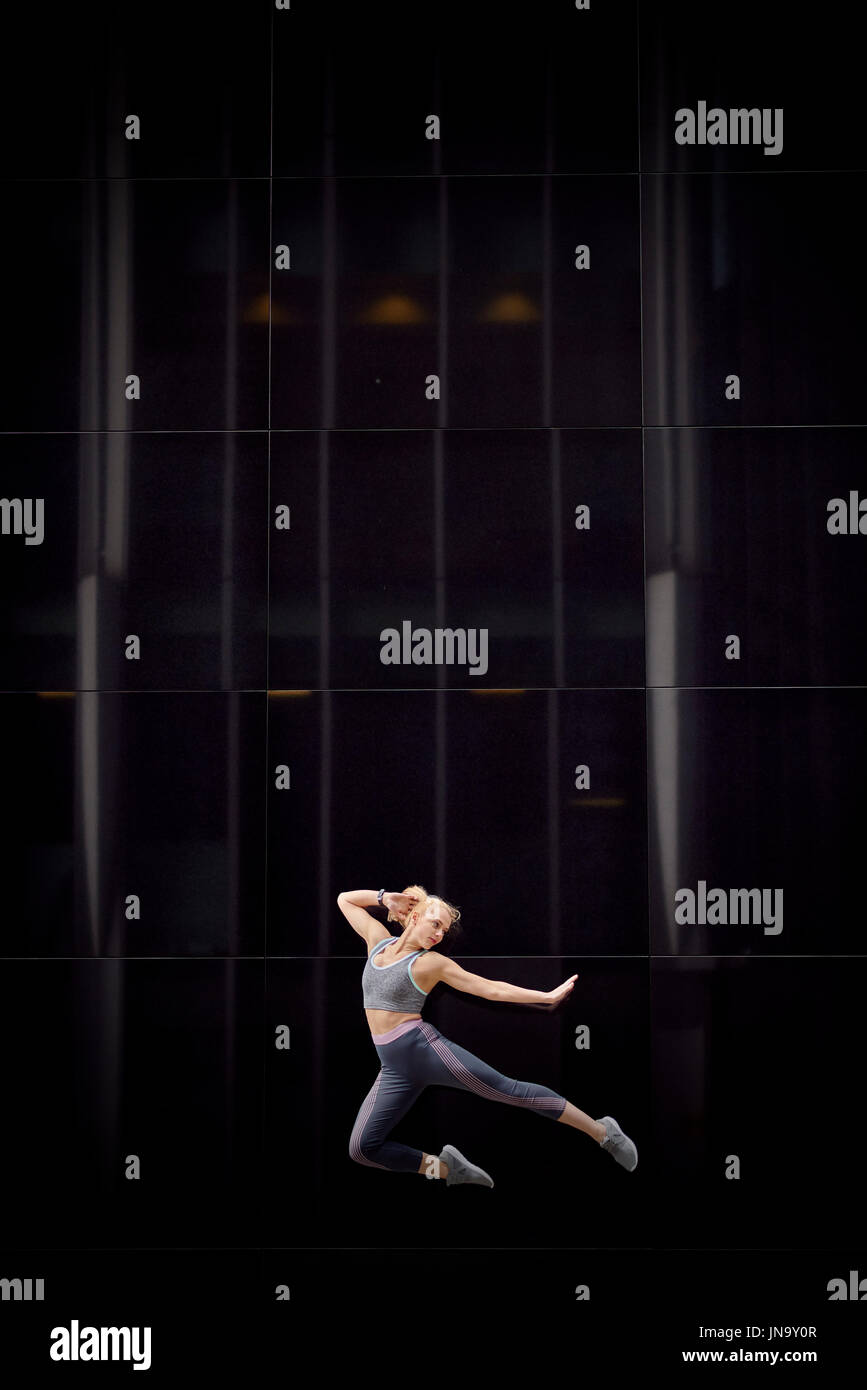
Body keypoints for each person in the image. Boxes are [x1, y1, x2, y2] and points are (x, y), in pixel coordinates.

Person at [338, 884, 638, 1186]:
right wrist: (383, 897)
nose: (440, 934)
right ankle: (447, 1169)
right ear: (414, 917)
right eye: (436, 923)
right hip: (393, 1067)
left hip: (424, 1051)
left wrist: (545, 997)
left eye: (443, 929)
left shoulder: (428, 963)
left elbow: (490, 988)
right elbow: (345, 900)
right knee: (361, 1148)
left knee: (510, 1091)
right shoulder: (377, 943)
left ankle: (602, 1132)